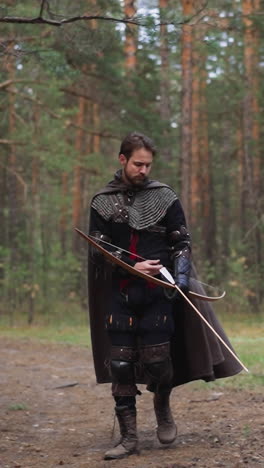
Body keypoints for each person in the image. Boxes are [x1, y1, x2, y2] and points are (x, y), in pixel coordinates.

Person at [87, 132, 242, 460]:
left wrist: (181, 280)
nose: (143, 170)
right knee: (120, 364)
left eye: (148, 165)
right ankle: (129, 438)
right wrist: (133, 265)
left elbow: (182, 242)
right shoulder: (103, 200)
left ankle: (162, 403)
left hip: (160, 291)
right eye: (137, 164)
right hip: (120, 291)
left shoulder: (164, 196)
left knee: (159, 362)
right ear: (122, 160)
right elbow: (99, 249)